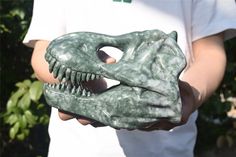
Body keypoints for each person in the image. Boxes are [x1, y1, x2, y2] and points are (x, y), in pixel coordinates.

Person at [23, 0, 236, 156]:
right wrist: (81, 79)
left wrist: (190, 94)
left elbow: (210, 52)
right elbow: (44, 51)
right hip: (74, 149)